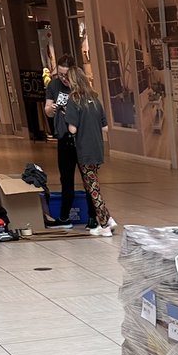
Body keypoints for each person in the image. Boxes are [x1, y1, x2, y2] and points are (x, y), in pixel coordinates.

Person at [64, 65, 116, 237]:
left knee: (93, 187)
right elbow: (106, 127)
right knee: (90, 183)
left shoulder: (74, 100)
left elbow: (72, 129)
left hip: (84, 149)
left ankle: (104, 225)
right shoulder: (94, 98)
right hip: (97, 148)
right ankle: (108, 219)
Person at [44, 55, 96, 227]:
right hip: (64, 139)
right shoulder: (54, 85)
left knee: (88, 179)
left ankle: (93, 217)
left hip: (82, 139)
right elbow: (48, 110)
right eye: (60, 74)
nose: (63, 79)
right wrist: (51, 109)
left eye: (67, 75)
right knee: (66, 179)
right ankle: (65, 216)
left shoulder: (82, 89)